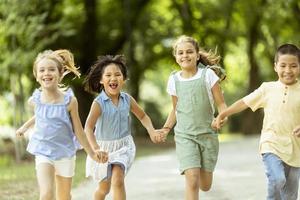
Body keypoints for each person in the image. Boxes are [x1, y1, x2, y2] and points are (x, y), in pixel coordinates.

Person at [16, 49, 108, 200]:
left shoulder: (69, 101)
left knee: (64, 197)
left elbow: (78, 131)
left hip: (65, 152)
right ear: (37, 76)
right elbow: (40, 116)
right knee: (46, 194)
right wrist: (25, 127)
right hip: (43, 151)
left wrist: (92, 153)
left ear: (60, 74)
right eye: (42, 70)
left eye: (51, 69)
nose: (47, 73)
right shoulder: (35, 100)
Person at [215, 43, 300, 200]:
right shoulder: (267, 89)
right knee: (278, 179)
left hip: (296, 150)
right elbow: (244, 102)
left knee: (290, 196)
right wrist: (223, 113)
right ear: (275, 67)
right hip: (271, 144)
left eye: (293, 66)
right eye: (283, 65)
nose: (288, 70)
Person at [83, 54, 164, 200]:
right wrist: (95, 148)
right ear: (102, 80)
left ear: (124, 79)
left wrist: (151, 131)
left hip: (123, 147)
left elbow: (143, 116)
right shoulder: (99, 103)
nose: (113, 78)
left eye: (117, 75)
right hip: (103, 149)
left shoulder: (127, 99)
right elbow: (88, 127)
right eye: (108, 75)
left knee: (118, 180)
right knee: (103, 190)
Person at [160, 35, 227, 200]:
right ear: (176, 57)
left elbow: (221, 105)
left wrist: (221, 118)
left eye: (189, 52)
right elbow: (176, 109)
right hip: (185, 136)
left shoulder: (208, 75)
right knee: (192, 180)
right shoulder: (173, 80)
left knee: (205, 185)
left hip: (207, 135)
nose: (185, 55)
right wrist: (166, 128)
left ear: (197, 55)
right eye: (180, 53)